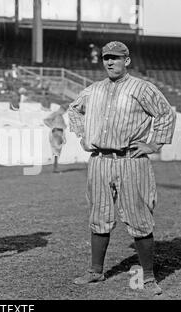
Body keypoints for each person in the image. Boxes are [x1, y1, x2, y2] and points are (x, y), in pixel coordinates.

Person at [68, 41, 176, 296]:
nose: (110, 62)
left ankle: (148, 278)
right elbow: (74, 110)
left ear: (127, 60)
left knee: (139, 217)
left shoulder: (142, 88)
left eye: (116, 57)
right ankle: (95, 271)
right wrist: (82, 134)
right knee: (99, 215)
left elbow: (165, 114)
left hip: (131, 160)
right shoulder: (93, 90)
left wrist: (154, 144)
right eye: (106, 57)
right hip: (99, 160)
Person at [44, 109, 67, 173]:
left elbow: (63, 127)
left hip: (59, 133)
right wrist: (53, 126)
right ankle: (55, 168)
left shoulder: (60, 116)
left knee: (57, 152)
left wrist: (64, 137)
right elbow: (45, 120)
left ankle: (55, 167)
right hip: (56, 133)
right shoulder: (55, 114)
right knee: (56, 151)